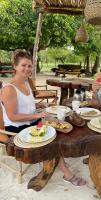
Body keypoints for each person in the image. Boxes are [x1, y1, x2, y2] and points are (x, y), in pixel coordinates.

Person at [0, 49, 86, 186]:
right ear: (15, 66)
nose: (27, 69)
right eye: (23, 65)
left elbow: (26, 104)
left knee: (60, 124)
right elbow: (13, 116)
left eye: (29, 66)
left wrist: (40, 107)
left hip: (31, 122)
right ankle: (67, 174)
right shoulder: (9, 88)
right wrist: (38, 115)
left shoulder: (27, 82)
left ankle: (57, 159)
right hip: (17, 128)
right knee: (51, 140)